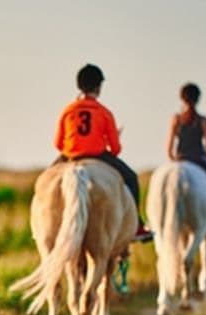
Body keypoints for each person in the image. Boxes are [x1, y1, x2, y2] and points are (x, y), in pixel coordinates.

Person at [53, 64, 153, 242]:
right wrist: (106, 141)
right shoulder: (104, 113)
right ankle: (137, 226)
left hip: (70, 156)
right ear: (98, 87)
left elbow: (57, 143)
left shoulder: (67, 110)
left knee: (45, 182)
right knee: (131, 178)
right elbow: (115, 149)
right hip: (97, 155)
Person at [165, 83, 206, 231]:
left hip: (180, 159)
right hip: (197, 160)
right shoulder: (203, 120)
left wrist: (175, 160)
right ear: (198, 99)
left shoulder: (176, 119)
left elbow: (169, 149)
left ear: (181, 99)